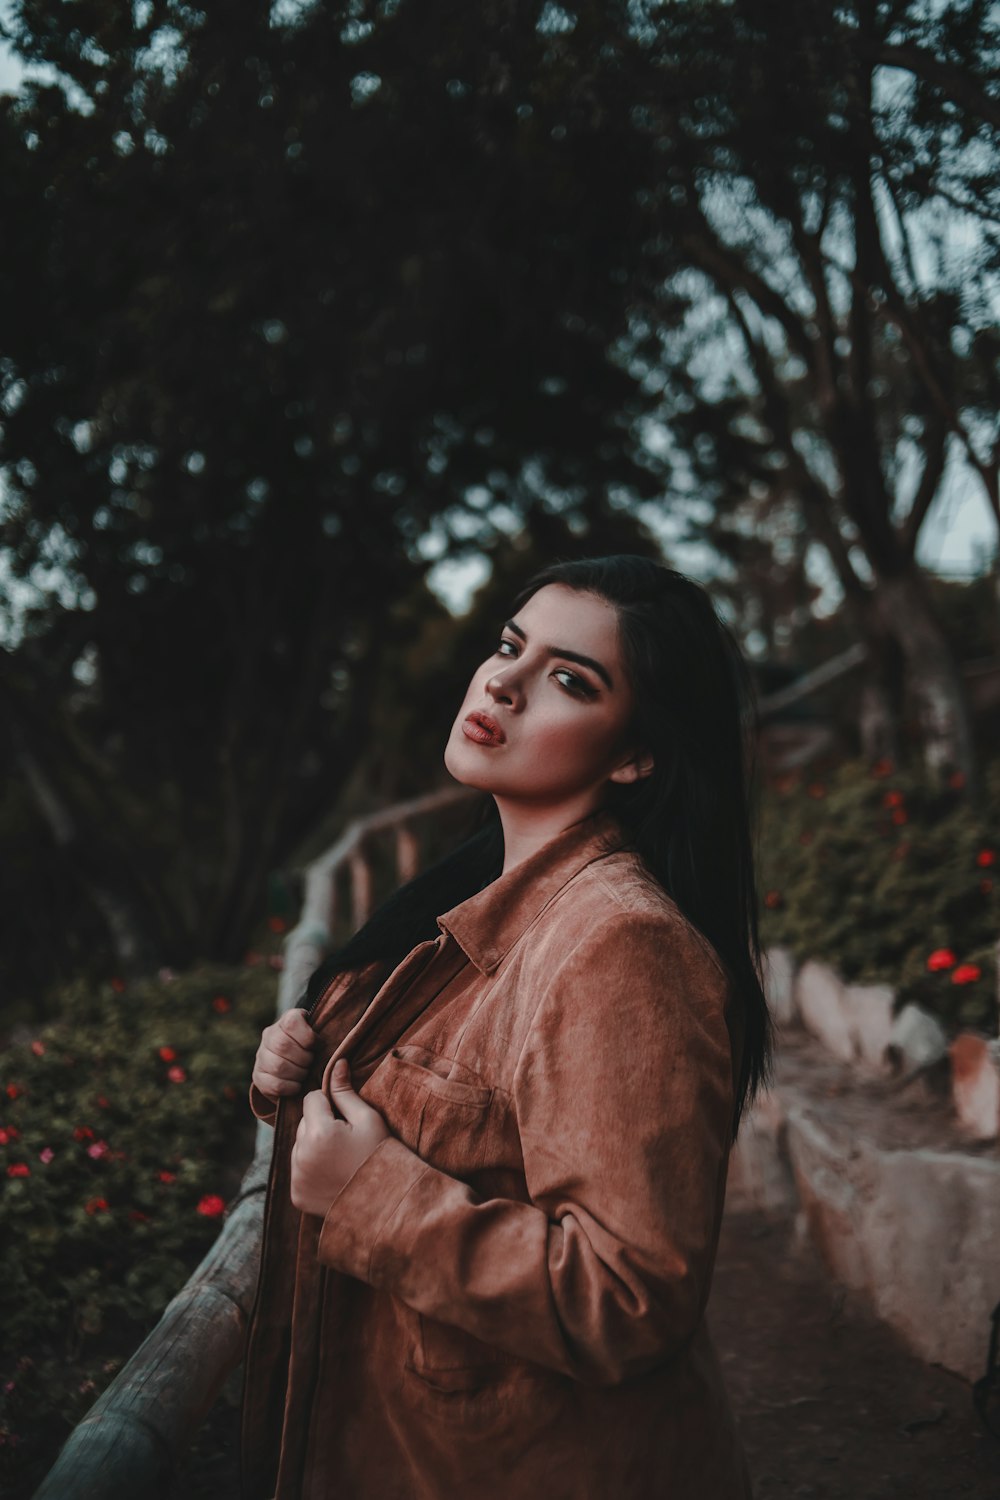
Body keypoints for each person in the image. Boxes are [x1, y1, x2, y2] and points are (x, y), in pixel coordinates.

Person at [242, 554, 772, 1499]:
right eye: (510, 647)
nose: (504, 684)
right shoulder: (481, 884)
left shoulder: (622, 946)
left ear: (635, 752)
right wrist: (308, 1057)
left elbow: (631, 1297)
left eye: (570, 680)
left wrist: (371, 1195)